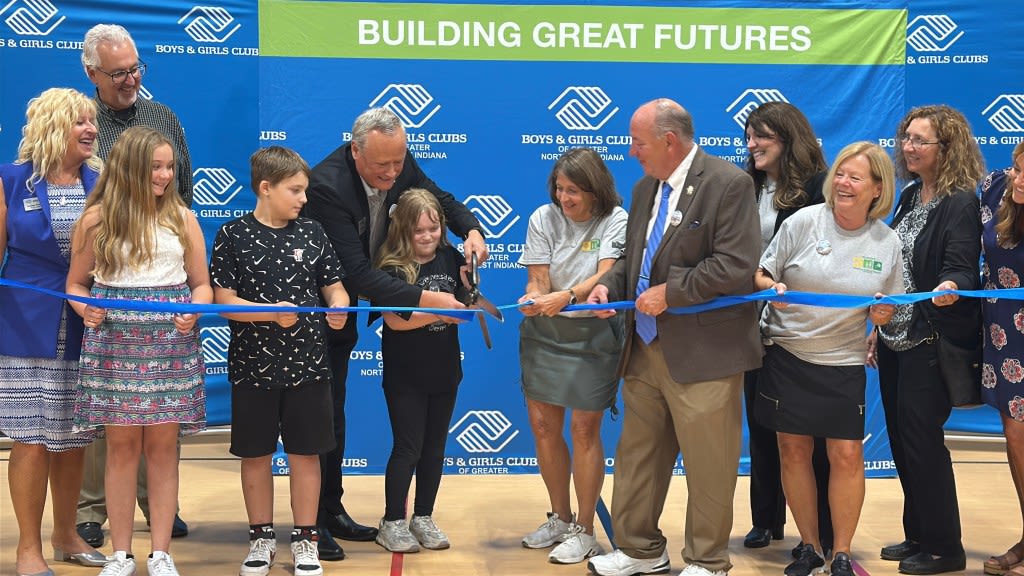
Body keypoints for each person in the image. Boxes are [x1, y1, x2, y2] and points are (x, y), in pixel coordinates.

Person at [586, 98, 762, 576]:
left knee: (709, 465)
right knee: (637, 456)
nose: (630, 151)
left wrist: (671, 292)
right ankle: (640, 549)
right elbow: (636, 258)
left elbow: (735, 266)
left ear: (669, 140)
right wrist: (611, 283)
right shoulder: (645, 188)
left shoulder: (729, 184)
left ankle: (707, 560)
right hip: (643, 346)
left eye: (637, 142)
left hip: (705, 353)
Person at [303, 106, 486, 560]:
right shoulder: (327, 186)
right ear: (355, 151)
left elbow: (438, 198)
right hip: (318, 310)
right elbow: (358, 274)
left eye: (398, 163)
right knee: (322, 415)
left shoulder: (398, 161)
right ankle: (314, 523)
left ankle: (332, 508)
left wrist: (471, 229)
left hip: (349, 312)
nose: (391, 173)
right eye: (381, 165)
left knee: (337, 414)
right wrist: (427, 300)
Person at [754, 142, 904, 576]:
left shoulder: (886, 241)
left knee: (846, 457)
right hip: (788, 353)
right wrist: (771, 289)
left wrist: (881, 314)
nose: (843, 183)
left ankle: (841, 552)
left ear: (877, 188)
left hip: (842, 362)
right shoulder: (803, 222)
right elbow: (763, 272)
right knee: (793, 451)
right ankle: (809, 546)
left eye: (855, 178)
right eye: (840, 173)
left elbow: (889, 302)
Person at [67, 126, 210, 576]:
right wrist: (85, 307)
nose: (166, 175)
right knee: (122, 447)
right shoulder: (96, 220)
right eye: (156, 167)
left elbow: (202, 284)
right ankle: (121, 553)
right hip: (114, 342)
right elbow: (76, 284)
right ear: (129, 167)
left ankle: (162, 551)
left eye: (170, 167)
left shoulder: (183, 218)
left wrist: (195, 310)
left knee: (164, 448)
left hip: (170, 341)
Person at [77, 23, 194, 548]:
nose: (130, 80)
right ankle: (92, 510)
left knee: (158, 431)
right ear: (92, 73)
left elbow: (180, 190)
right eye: (119, 72)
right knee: (112, 424)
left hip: (160, 277)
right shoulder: (81, 120)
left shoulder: (162, 116)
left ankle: (157, 513)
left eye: (135, 69)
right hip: (103, 273)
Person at [210, 146, 350, 576]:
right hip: (254, 368)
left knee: (307, 454)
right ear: (265, 188)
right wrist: (271, 312)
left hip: (308, 366)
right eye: (295, 190)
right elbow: (224, 302)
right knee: (256, 455)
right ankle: (262, 537)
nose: (303, 199)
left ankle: (306, 538)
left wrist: (340, 305)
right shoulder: (232, 235)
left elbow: (334, 287)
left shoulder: (312, 233)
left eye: (304, 190)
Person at [872, 104, 985, 575]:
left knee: (922, 441)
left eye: (920, 140)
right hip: (895, 337)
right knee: (901, 440)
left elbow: (959, 262)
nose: (908, 147)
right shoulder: (912, 194)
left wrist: (949, 286)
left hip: (929, 340)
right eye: (907, 138)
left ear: (948, 147)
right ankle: (918, 532)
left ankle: (945, 547)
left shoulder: (960, 200)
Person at [0, 88, 108, 576]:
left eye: (91, 121)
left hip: (87, 324)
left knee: (74, 438)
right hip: (25, 323)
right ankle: (28, 548)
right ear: (50, 127)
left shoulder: (102, 182)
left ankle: (66, 535)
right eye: (78, 122)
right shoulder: (10, 180)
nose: (90, 129)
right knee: (31, 438)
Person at [516, 147, 627, 564]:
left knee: (584, 431)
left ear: (595, 190)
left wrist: (564, 296)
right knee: (544, 426)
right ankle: (560, 518)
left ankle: (586, 528)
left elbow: (607, 273)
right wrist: (535, 296)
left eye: (574, 190)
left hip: (593, 336)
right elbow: (537, 277)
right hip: (545, 333)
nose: (565, 198)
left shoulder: (616, 219)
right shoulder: (541, 218)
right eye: (560, 189)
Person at [741, 101, 835, 554]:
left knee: (806, 433)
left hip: (799, 326)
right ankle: (766, 519)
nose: (752, 145)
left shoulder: (818, 188)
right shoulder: (746, 186)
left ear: (788, 139)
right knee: (761, 421)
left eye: (761, 136)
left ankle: (816, 532)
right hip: (750, 326)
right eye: (749, 137)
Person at [371, 189, 468, 554]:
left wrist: (471, 285)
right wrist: (439, 313)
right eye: (419, 231)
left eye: (434, 228)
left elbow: (466, 301)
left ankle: (423, 516)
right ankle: (393, 520)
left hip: (444, 371)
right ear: (402, 232)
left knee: (434, 449)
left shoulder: (450, 257)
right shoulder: (392, 267)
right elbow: (395, 322)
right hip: (406, 376)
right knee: (408, 448)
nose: (428, 237)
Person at [979, 142, 1024, 576]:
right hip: (1007, 335)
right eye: (1016, 167)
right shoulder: (993, 189)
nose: (1018, 179)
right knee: (1016, 438)